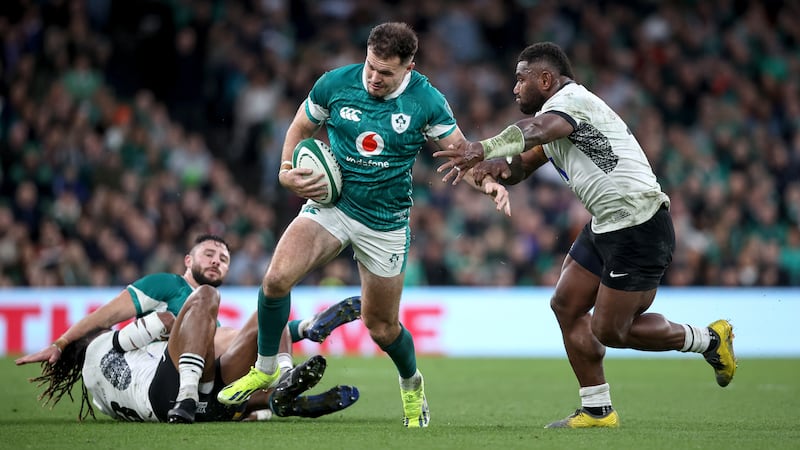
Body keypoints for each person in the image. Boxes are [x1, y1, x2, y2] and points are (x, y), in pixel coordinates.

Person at [434, 42, 737, 428]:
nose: (514, 88)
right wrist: (490, 171)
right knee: (565, 305)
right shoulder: (559, 119)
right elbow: (522, 165)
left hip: (638, 225)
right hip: (607, 223)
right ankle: (597, 409)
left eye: (520, 79)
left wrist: (482, 146)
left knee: (610, 330)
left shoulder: (572, 101)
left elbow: (535, 131)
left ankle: (710, 339)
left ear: (545, 79)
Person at [218, 21, 484, 429]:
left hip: (385, 222)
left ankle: (412, 382)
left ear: (409, 68)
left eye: (387, 73)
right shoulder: (336, 83)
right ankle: (267, 367)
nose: (375, 78)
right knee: (275, 280)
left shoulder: (427, 101)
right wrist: (286, 169)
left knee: (381, 327)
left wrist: (487, 183)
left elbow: (461, 154)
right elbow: (300, 126)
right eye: (371, 67)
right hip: (333, 205)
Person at [16, 233, 362, 422]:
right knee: (212, 304)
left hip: (198, 381)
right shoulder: (168, 287)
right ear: (188, 260)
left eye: (224, 259)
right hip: (177, 386)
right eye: (209, 253)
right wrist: (61, 342)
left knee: (268, 304)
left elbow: (231, 339)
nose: (216, 260)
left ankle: (286, 386)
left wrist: (298, 328)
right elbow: (104, 317)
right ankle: (283, 390)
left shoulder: (203, 311)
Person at [22, 291, 359, 423]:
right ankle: (282, 378)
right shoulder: (104, 343)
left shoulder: (98, 398)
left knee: (259, 324)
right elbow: (166, 321)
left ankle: (277, 400)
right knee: (218, 301)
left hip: (193, 406)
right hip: (176, 395)